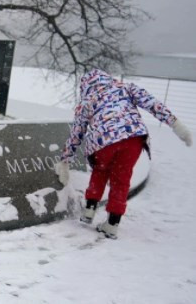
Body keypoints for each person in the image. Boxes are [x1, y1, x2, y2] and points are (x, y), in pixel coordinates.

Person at [55, 69, 192, 239]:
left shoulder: (86, 102)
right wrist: (175, 124)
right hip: (132, 139)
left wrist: (65, 160)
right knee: (122, 178)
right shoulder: (125, 88)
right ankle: (112, 223)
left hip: (102, 142)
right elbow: (152, 104)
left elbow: (77, 133)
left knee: (100, 170)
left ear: (85, 86)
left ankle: (89, 209)